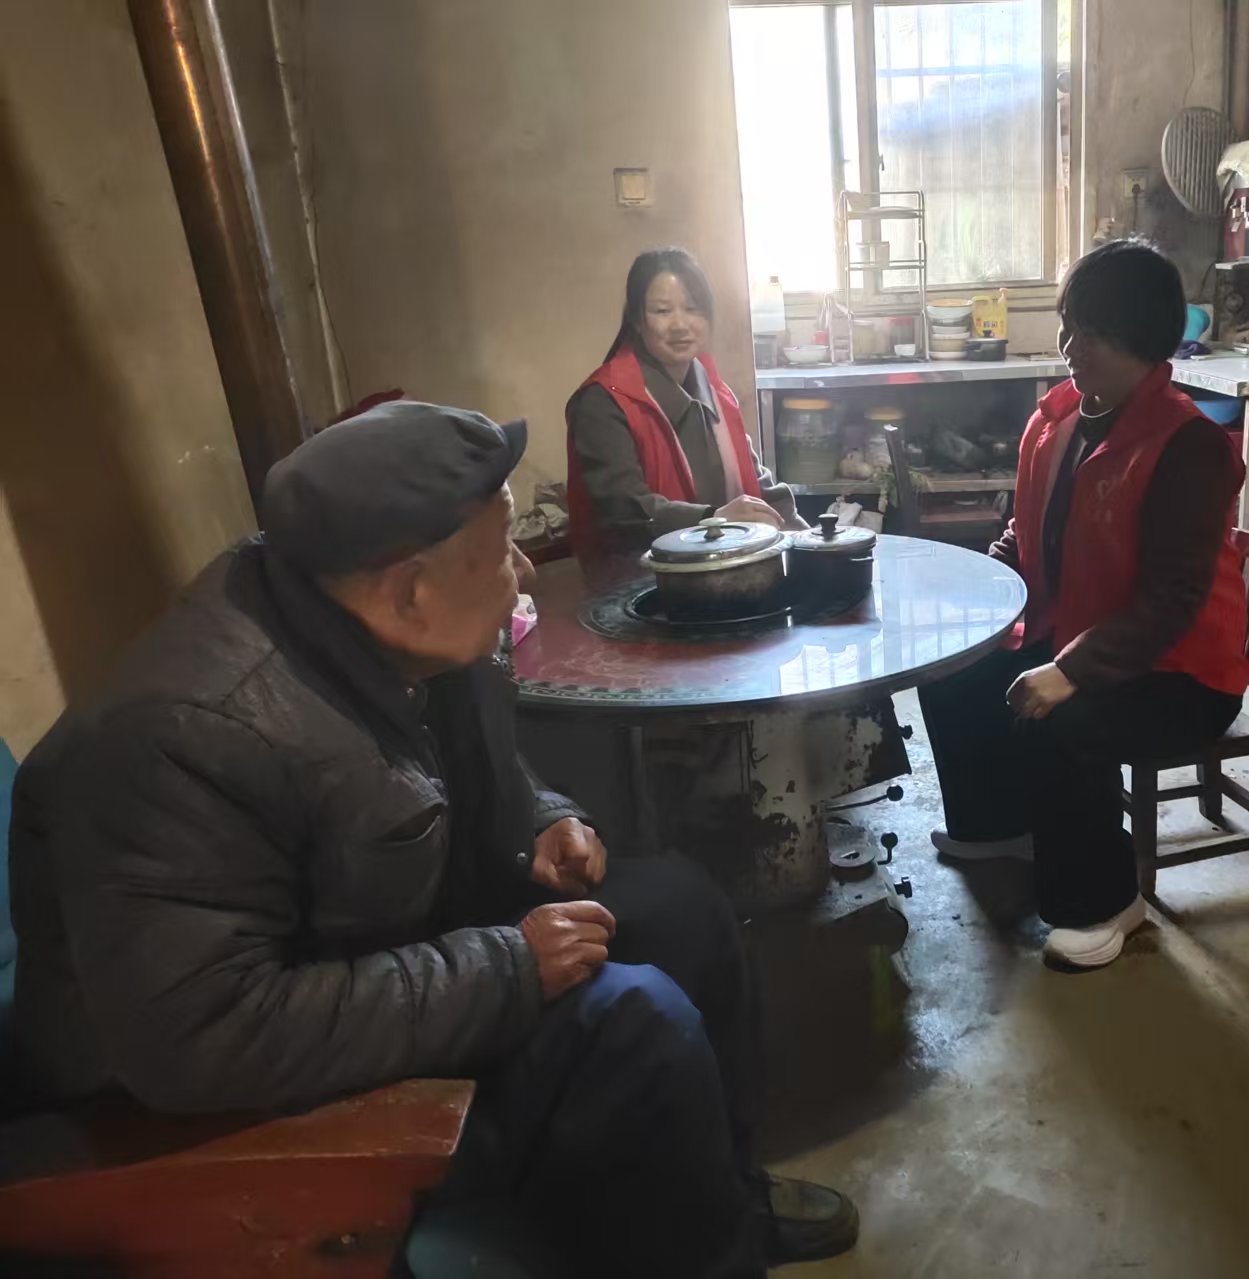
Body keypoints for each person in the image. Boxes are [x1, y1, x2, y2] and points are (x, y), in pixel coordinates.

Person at [7, 401, 856, 1276]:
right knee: (632, 1020)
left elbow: (455, 765)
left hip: (374, 937)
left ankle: (726, 1199)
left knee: (682, 906)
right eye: (502, 549)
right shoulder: (181, 739)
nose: (522, 570)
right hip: (220, 1097)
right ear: (410, 591)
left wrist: (540, 816)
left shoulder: (379, 619)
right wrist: (507, 968)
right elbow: (202, 1038)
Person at [919, 239, 1249, 970]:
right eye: (1068, 327)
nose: (1070, 347)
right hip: (1076, 632)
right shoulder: (1061, 417)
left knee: (1060, 720)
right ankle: (999, 825)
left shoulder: (1187, 446)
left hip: (1178, 671)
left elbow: (1171, 602)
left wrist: (1069, 671)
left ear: (1141, 341)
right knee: (951, 669)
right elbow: (1027, 529)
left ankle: (1106, 902)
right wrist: (980, 589)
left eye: (1091, 334)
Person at [566, 247, 804, 560]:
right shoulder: (604, 401)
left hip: (722, 569)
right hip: (641, 579)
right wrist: (713, 519)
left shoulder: (714, 390)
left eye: (692, 308)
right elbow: (623, 509)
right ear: (636, 319)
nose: (680, 324)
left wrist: (805, 536)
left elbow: (754, 481)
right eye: (663, 311)